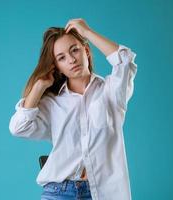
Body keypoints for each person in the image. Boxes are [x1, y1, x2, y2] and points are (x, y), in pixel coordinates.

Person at [9, 18, 137, 200]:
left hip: (101, 193)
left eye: (75, 50)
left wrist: (87, 33)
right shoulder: (53, 103)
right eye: (61, 58)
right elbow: (18, 127)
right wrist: (38, 87)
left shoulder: (111, 92)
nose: (71, 60)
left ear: (86, 51)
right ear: (57, 67)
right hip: (59, 192)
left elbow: (124, 60)